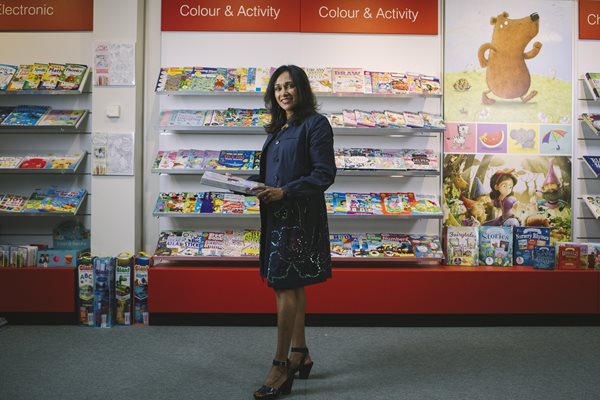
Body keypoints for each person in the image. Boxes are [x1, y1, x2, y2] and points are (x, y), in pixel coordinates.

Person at [249, 65, 336, 400]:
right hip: (277, 214)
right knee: (290, 284)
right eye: (278, 88)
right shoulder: (279, 127)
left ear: (302, 90)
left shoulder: (315, 124)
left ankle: (281, 365)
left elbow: (324, 173)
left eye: (290, 86)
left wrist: (285, 192)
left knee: (284, 286)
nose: (283, 92)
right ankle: (300, 351)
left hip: (298, 215)